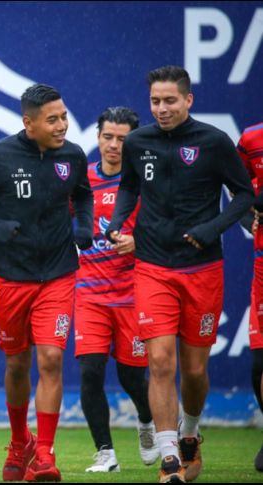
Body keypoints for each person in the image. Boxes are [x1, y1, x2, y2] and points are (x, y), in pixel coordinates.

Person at [105, 65, 254, 483]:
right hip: (152, 266)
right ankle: (170, 455)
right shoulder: (138, 141)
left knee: (192, 370)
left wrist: (211, 229)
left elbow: (244, 194)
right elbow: (129, 188)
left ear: (189, 100)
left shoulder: (213, 141)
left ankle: (189, 434)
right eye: (155, 101)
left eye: (170, 100)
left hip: (202, 269)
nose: (162, 108)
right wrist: (119, 221)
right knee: (159, 360)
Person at [0, 83, 94, 482]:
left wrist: (83, 226)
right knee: (17, 364)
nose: (63, 125)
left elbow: (82, 196)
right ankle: (20, 443)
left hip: (59, 275)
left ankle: (45, 455)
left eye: (64, 116)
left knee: (50, 359)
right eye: (53, 119)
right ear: (28, 124)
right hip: (11, 280)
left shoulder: (72, 154)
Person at [75, 107, 159, 473]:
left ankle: (146, 418)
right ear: (97, 138)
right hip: (88, 294)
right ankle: (106, 453)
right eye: (107, 137)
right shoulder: (80, 181)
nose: (113, 145)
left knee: (131, 377)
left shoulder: (145, 184)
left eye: (122, 139)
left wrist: (138, 242)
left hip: (133, 294)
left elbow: (166, 230)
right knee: (90, 371)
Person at [236, 120, 263, 472]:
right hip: (262, 264)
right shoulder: (252, 139)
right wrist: (248, 217)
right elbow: (238, 187)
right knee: (259, 363)